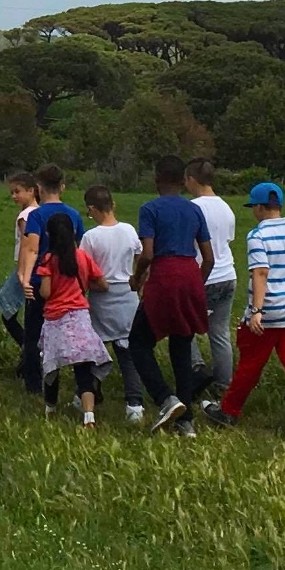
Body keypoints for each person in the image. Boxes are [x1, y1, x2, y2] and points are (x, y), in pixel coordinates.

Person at [207, 182, 285, 441]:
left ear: (259, 207)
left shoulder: (257, 236)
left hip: (268, 314)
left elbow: (260, 272)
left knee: (250, 365)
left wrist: (257, 311)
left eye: (253, 207)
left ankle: (228, 412)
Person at [130, 156, 214, 435]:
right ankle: (186, 421)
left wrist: (138, 276)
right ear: (182, 180)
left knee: (139, 342)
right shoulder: (194, 211)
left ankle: (165, 398)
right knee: (181, 345)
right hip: (190, 274)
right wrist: (196, 286)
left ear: (156, 179)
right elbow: (209, 258)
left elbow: (149, 253)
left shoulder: (150, 209)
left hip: (165, 275)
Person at [81, 185, 148, 422]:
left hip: (102, 295)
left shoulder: (91, 237)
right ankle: (135, 405)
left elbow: (85, 268)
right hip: (128, 294)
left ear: (92, 209)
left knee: (95, 348)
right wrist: (136, 278)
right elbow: (141, 256)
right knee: (127, 351)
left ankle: (89, 388)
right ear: (113, 205)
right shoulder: (129, 230)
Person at [36, 211, 109, 426]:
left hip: (55, 319)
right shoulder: (82, 257)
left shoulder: (48, 260)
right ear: (73, 232)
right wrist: (83, 287)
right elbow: (103, 284)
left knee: (52, 366)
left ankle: (50, 407)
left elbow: (46, 293)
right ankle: (89, 416)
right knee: (83, 367)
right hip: (79, 317)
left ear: (49, 234)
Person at [16, 165, 83, 396]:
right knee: (69, 333)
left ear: (38, 188)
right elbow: (77, 249)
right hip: (65, 280)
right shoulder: (74, 215)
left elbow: (32, 248)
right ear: (62, 187)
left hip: (39, 279)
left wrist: (25, 278)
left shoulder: (37, 215)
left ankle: (34, 384)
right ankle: (78, 382)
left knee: (34, 333)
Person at [185, 158, 239, 398]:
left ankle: (196, 368)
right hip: (228, 275)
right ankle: (224, 386)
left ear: (192, 180)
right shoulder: (226, 207)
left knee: (183, 327)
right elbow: (226, 241)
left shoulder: (193, 208)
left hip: (203, 275)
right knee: (219, 333)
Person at [0, 171, 38, 352]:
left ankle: (27, 348)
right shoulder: (39, 212)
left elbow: (25, 245)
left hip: (26, 268)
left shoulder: (25, 216)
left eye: (17, 191)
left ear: (31, 191)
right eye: (12, 192)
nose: (14, 196)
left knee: (6, 306)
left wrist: (21, 272)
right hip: (36, 267)